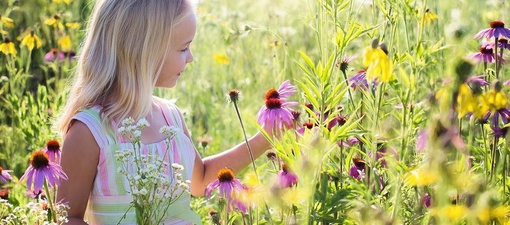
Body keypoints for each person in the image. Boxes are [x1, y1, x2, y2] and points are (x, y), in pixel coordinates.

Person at [55, 0, 275, 224]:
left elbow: (200, 180)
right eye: (183, 48)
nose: (190, 58)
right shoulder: (90, 131)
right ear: (143, 51)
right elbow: (68, 217)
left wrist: (264, 138)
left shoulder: (171, 117)